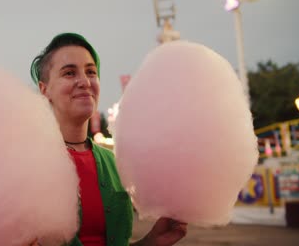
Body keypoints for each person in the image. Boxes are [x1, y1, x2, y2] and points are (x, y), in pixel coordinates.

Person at [30, 33, 187, 246]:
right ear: (44, 89)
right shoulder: (29, 165)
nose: (84, 81)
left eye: (91, 72)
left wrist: (151, 241)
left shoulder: (114, 163)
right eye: (69, 73)